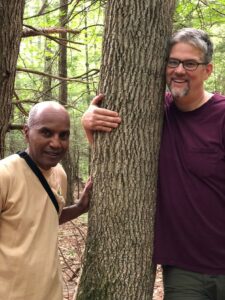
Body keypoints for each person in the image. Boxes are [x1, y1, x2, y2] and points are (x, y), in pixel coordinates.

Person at [81, 28, 225, 299]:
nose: (179, 70)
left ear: (207, 70)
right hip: (184, 270)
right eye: (173, 62)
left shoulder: (221, 115)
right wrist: (88, 120)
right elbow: (117, 160)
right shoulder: (150, 114)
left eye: (190, 63)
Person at [0, 101, 92, 300]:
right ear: (26, 132)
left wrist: (81, 207)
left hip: (50, 293)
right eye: (46, 133)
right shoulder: (5, 174)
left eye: (63, 135)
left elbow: (47, 219)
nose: (56, 143)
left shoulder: (59, 173)